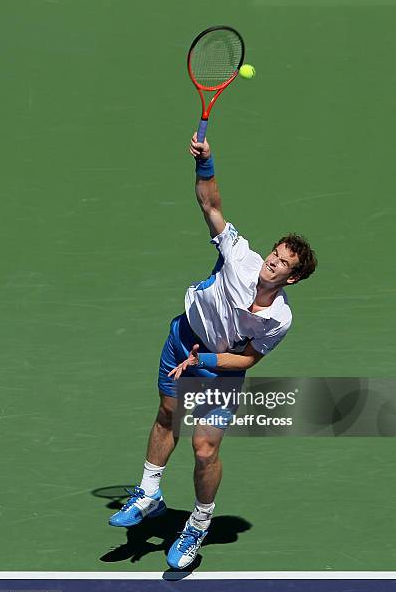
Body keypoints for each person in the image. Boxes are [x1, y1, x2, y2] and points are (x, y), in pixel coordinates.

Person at [109, 132, 317, 569]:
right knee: (168, 413)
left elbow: (246, 360)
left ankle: (199, 525)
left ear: (292, 278)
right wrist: (205, 163)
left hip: (216, 371)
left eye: (283, 262)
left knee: (205, 450)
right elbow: (211, 205)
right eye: (275, 253)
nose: (272, 261)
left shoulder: (279, 318)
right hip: (182, 338)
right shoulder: (239, 256)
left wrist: (202, 361)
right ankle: (149, 492)